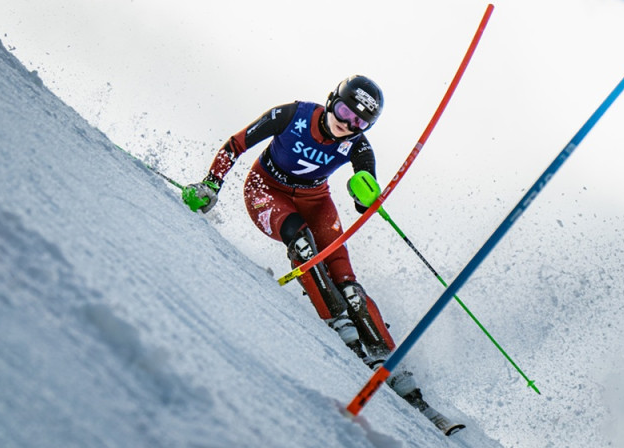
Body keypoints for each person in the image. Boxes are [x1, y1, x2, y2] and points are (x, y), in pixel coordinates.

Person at [182, 75, 464, 435]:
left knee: (347, 281)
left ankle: (390, 362)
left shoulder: (357, 146)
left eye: (359, 122)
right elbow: (237, 144)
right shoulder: (292, 115)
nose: (347, 124)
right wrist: (211, 184)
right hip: (265, 190)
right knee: (301, 242)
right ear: (332, 100)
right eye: (345, 112)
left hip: (316, 201)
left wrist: (365, 194)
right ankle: (340, 326)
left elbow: (364, 200)